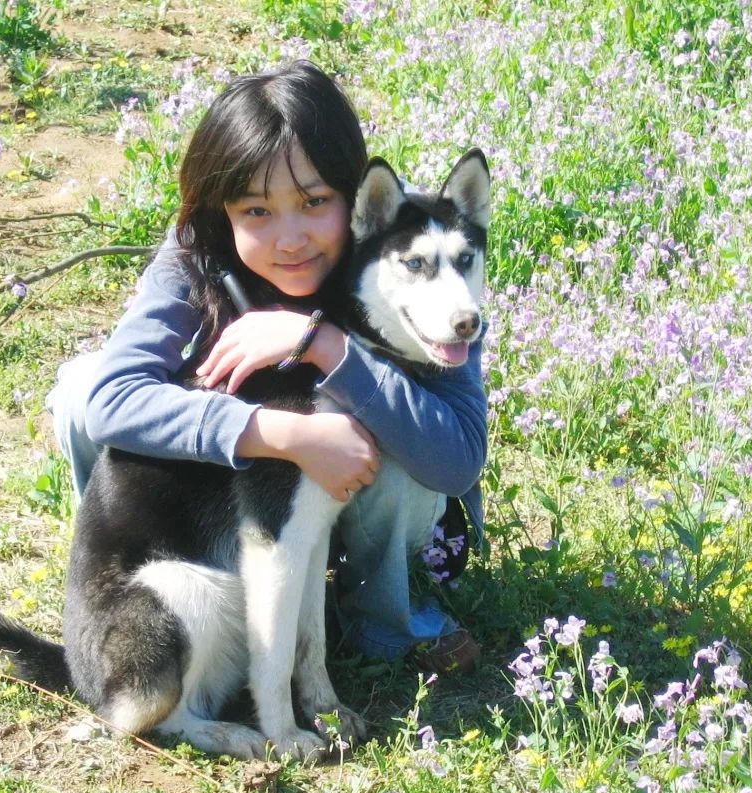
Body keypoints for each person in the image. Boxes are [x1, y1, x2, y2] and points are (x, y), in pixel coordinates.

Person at [46, 61, 485, 673]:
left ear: (357, 195)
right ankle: (145, 604)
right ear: (219, 209)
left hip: (369, 499)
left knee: (392, 446)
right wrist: (285, 435)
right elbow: (111, 401)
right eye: (256, 211)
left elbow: (458, 457)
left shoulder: (416, 248)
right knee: (80, 390)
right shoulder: (197, 250)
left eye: (314, 202)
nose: (290, 238)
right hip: (247, 501)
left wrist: (325, 344)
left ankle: (381, 620)